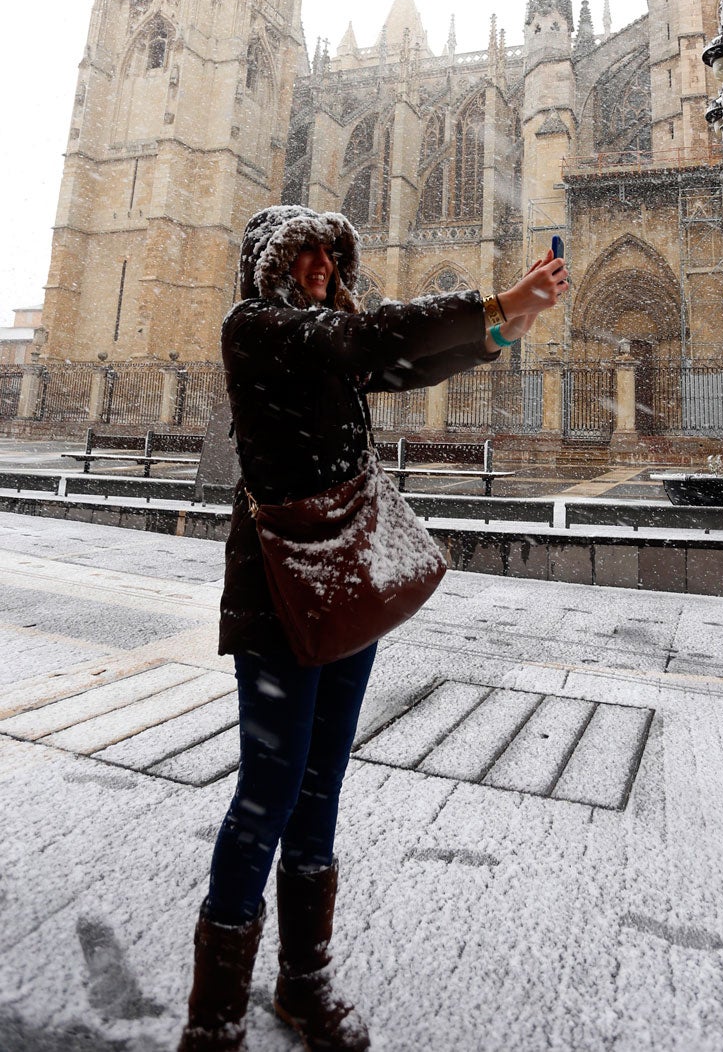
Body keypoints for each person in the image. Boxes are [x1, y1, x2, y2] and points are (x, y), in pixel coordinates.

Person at [179, 204, 568, 1052]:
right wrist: (497, 303)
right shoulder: (257, 328)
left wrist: (505, 327)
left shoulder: (331, 333)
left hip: (349, 580)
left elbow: (393, 360)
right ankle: (212, 1019)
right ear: (268, 265)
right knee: (266, 794)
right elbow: (365, 342)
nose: (319, 265)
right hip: (281, 587)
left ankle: (303, 987)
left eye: (328, 252)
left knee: (320, 792)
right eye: (303, 253)